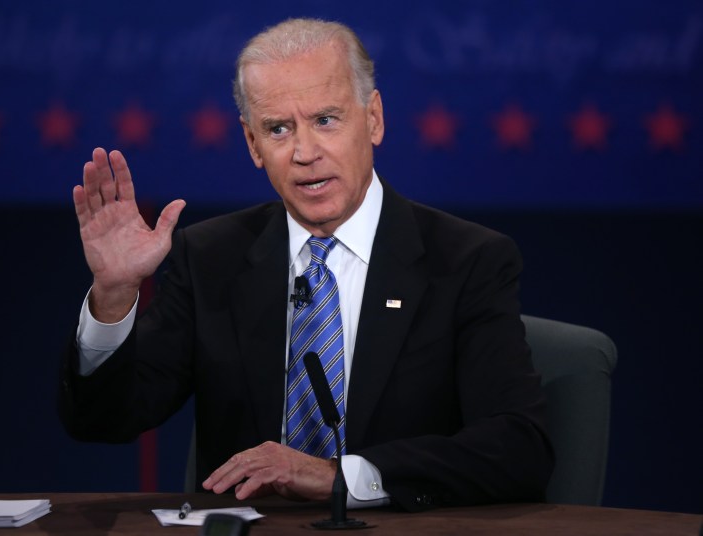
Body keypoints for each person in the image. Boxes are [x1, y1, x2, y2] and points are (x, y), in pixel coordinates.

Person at [58, 17, 554, 512]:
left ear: (374, 118)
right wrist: (115, 295)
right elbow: (103, 422)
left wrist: (343, 478)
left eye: (325, 120)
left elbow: (517, 447)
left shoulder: (465, 261)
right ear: (253, 144)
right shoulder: (211, 258)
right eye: (278, 129)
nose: (305, 152)